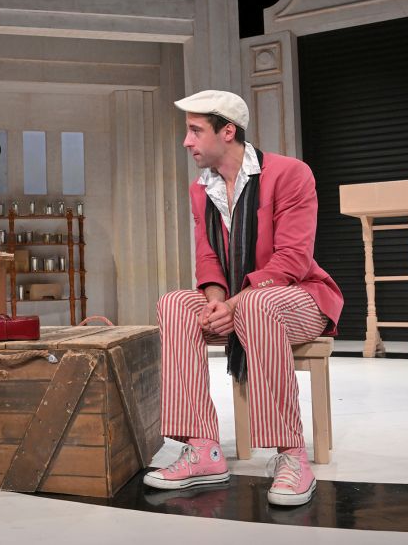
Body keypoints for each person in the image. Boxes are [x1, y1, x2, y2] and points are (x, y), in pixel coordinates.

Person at [143, 90, 343, 507]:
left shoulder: (290, 174)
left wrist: (233, 305)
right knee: (174, 304)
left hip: (300, 298)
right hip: (239, 302)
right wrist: (217, 302)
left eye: (195, 131)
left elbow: (292, 259)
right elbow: (207, 258)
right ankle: (202, 448)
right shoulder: (201, 189)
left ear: (228, 131)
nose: (187, 141)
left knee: (256, 304)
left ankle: (291, 456)